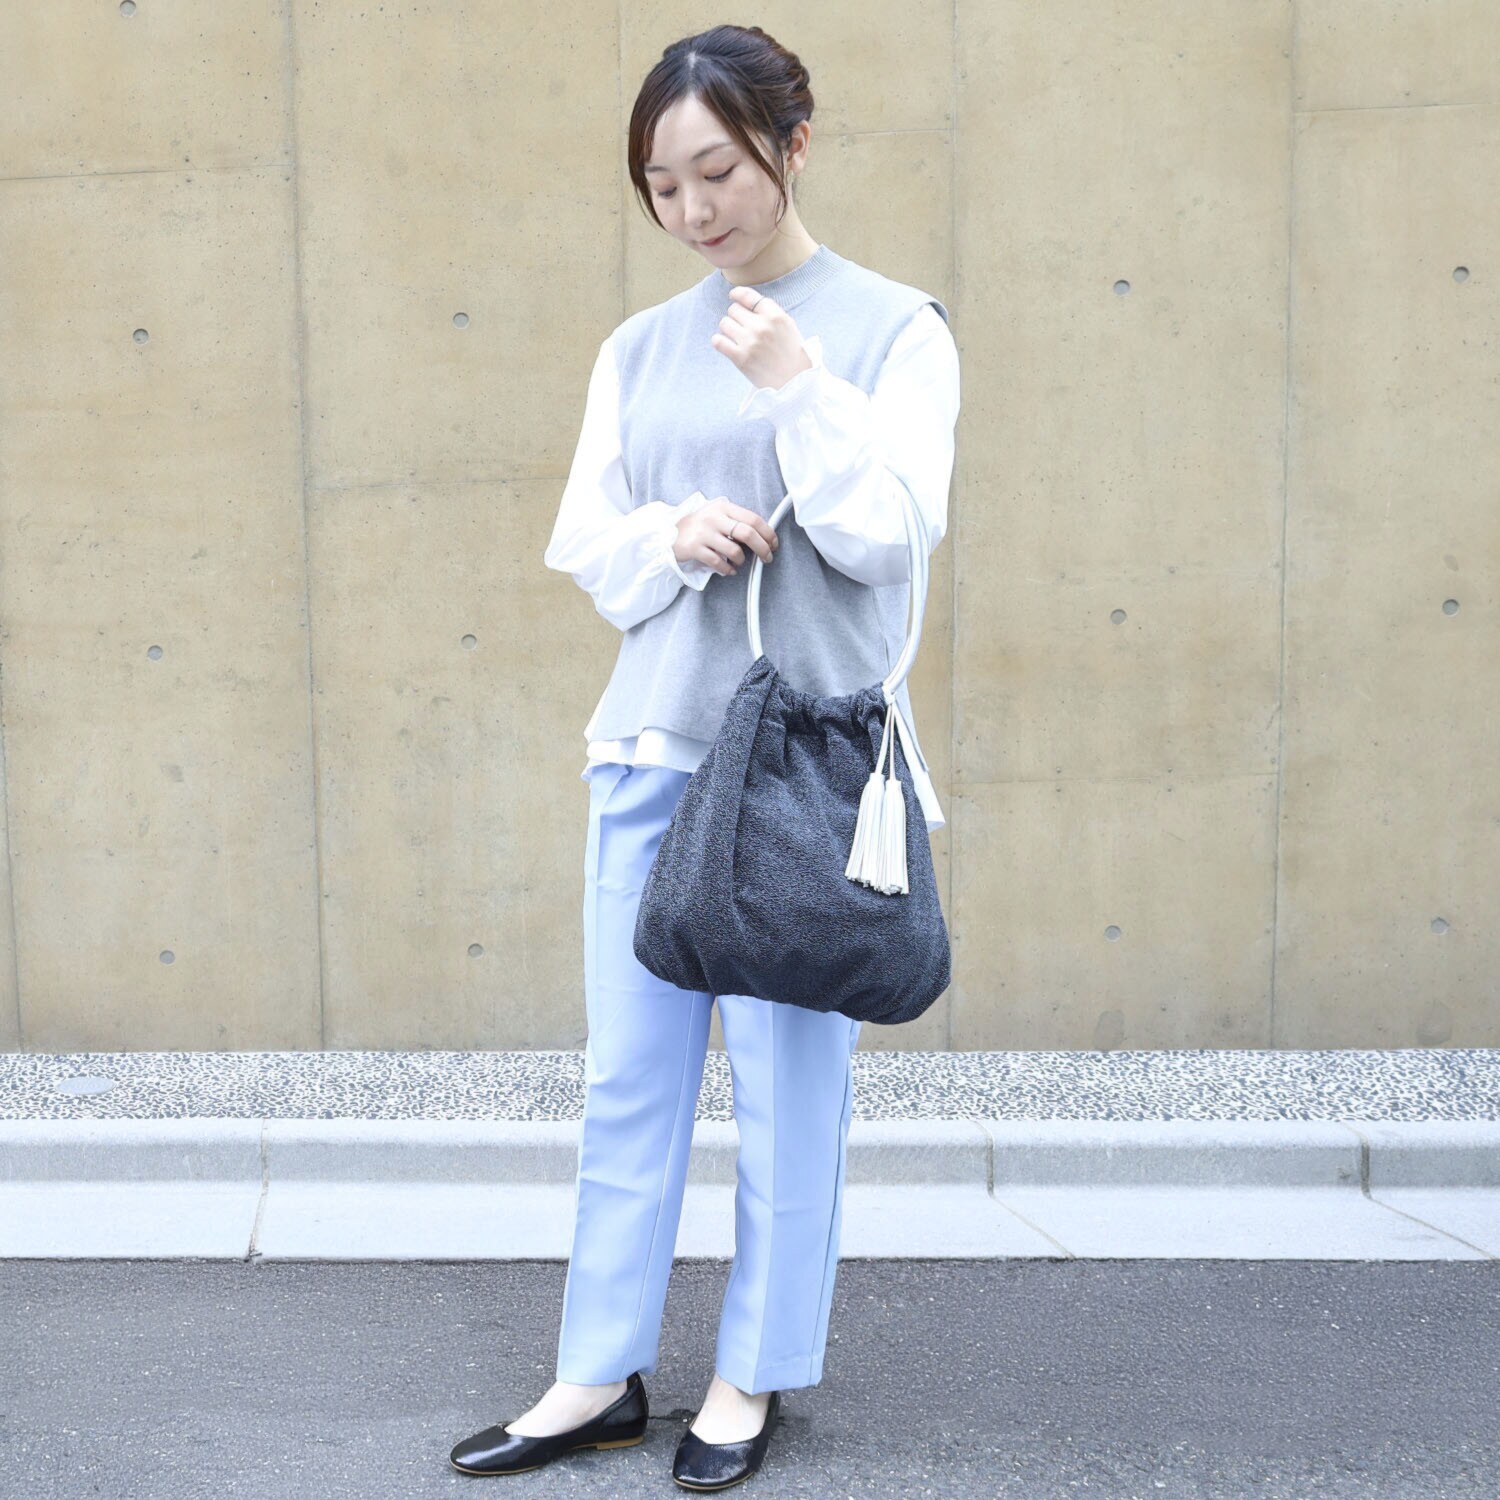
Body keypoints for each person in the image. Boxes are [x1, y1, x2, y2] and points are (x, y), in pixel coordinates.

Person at [450, 21, 959, 1489]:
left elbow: (889, 539)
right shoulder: (638, 348)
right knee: (630, 1079)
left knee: (793, 1095)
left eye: (719, 171)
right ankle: (595, 1373)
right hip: (653, 753)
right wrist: (667, 534)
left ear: (792, 146)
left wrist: (801, 387)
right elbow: (585, 545)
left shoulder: (895, 330)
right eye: (664, 186)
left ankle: (752, 1377)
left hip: (810, 775)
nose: (694, 210)